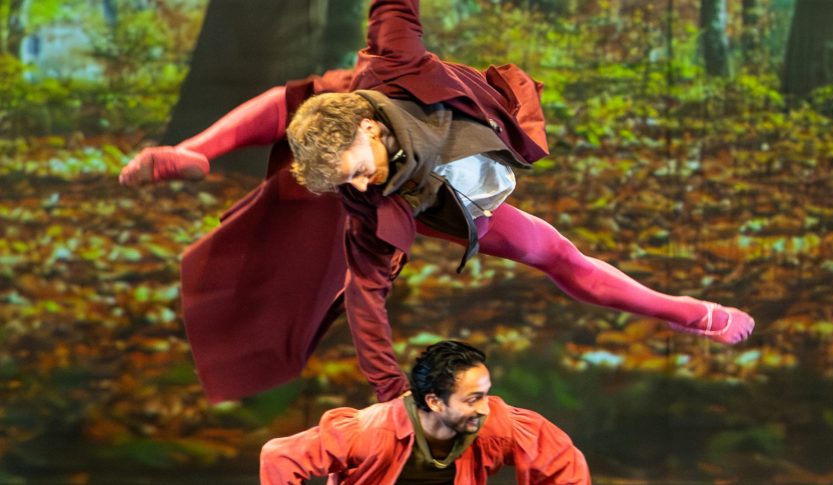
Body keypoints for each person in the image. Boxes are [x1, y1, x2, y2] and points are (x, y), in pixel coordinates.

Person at [119, 0, 754, 404]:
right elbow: (367, 302)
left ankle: (685, 312)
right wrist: (391, 395)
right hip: (440, 195)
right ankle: (690, 314)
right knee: (553, 251)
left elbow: (393, 6)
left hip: (413, 113)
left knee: (302, 98)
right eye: (351, 184)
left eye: (360, 172)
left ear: (369, 133)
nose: (361, 188)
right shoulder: (370, 204)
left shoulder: (391, 63)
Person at [260, 340, 590, 484]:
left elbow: (561, 461)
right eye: (472, 398)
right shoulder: (371, 432)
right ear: (434, 402)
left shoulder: (493, 424)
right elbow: (280, 457)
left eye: (485, 395)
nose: (484, 408)